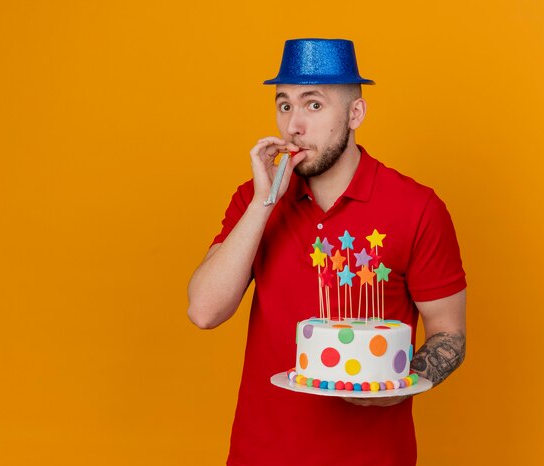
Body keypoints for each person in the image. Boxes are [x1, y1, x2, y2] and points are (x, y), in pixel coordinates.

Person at [187, 38, 466, 466]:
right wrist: (266, 202)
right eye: (284, 105)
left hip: (374, 456)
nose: (294, 126)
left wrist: (395, 387)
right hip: (260, 454)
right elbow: (204, 311)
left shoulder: (418, 208)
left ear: (355, 114)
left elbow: (449, 333)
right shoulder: (254, 200)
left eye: (313, 105)